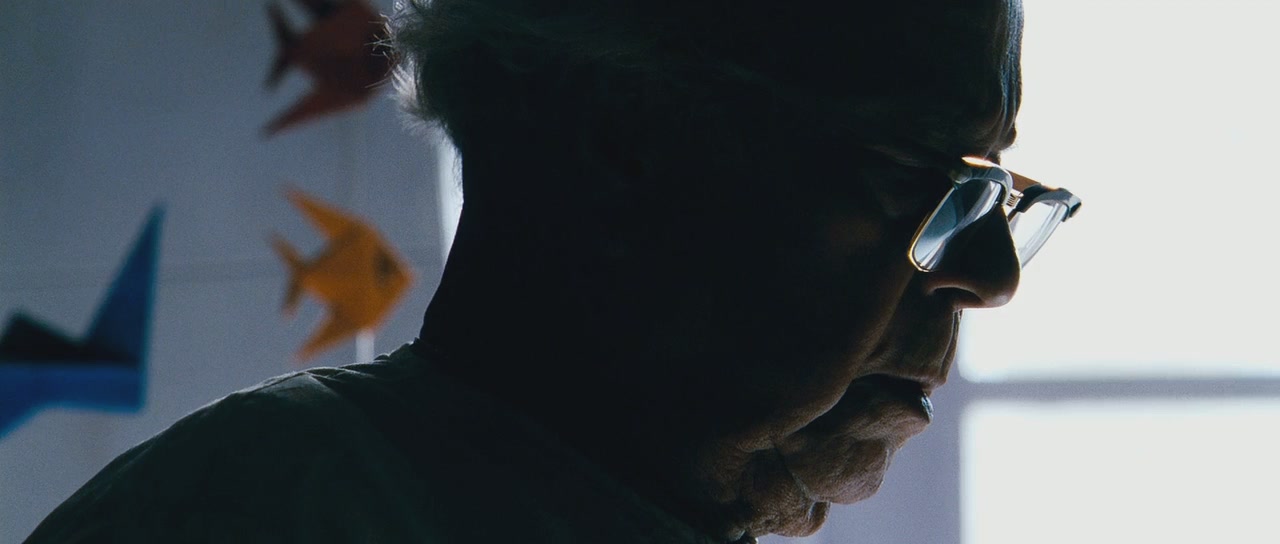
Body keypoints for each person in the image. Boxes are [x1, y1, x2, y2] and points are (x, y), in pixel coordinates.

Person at [25, 0, 1081, 542]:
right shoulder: (254, 523)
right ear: (622, 138)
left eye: (991, 192)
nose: (990, 275)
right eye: (913, 172)